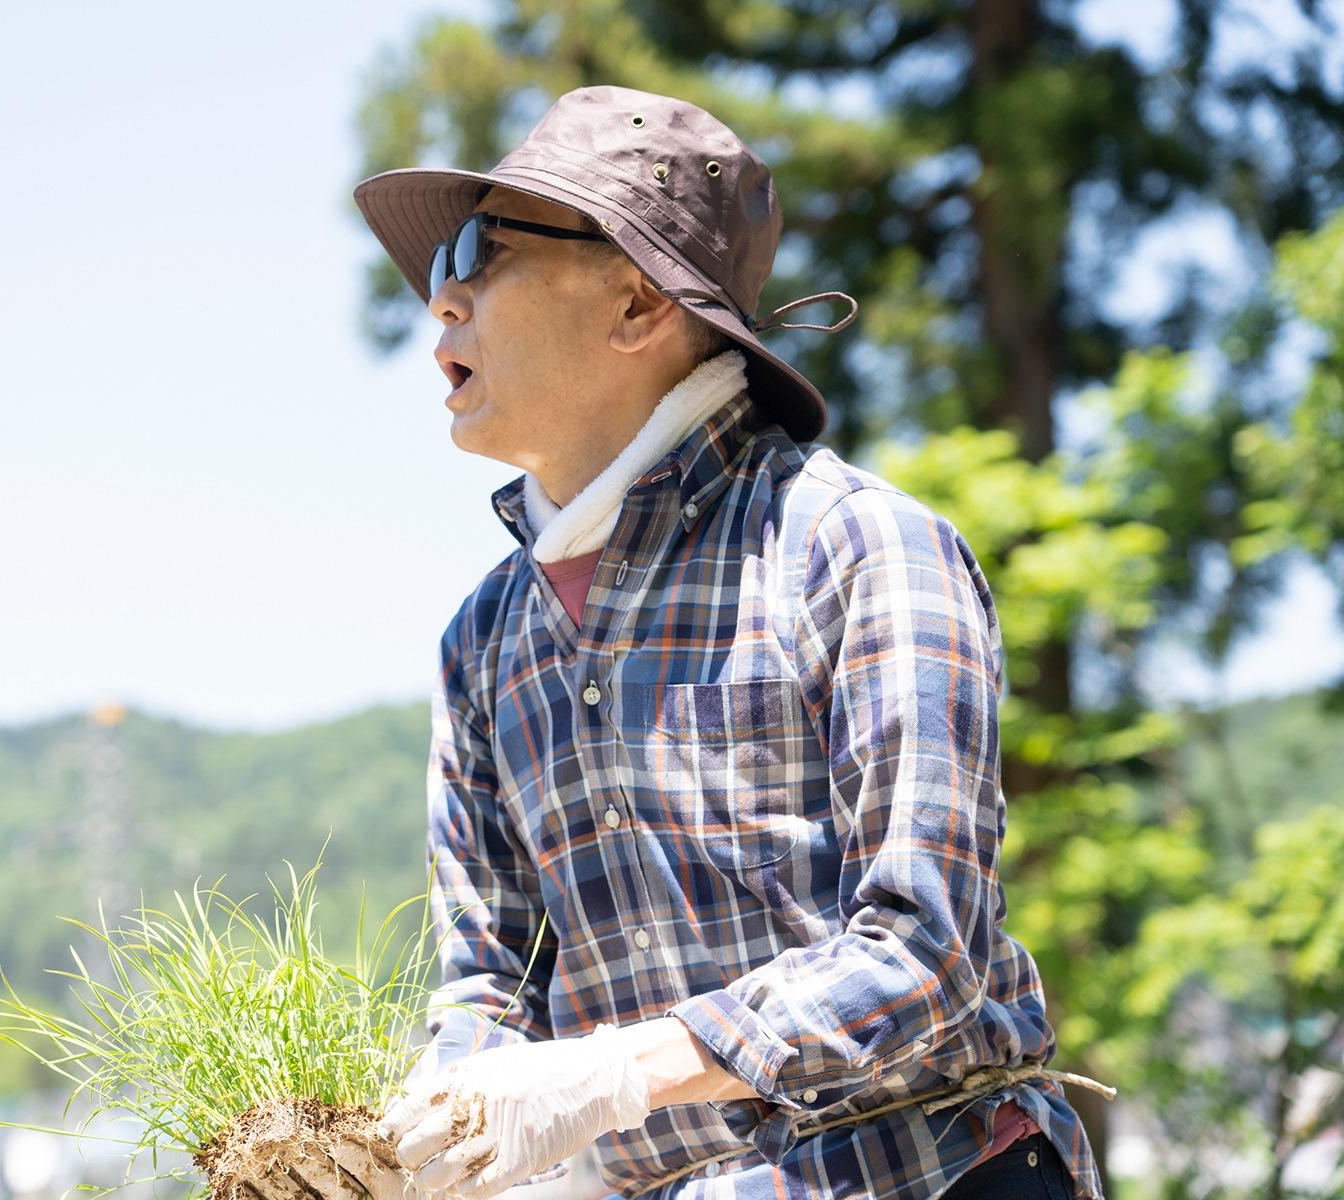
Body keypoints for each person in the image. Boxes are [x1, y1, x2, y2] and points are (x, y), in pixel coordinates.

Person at [283, 84, 1113, 1200]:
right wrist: (436, 1138)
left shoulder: (855, 546)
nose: (446, 303)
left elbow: (929, 954)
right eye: (443, 272)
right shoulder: (484, 641)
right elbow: (489, 988)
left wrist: (618, 1071)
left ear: (636, 302)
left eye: (483, 252)